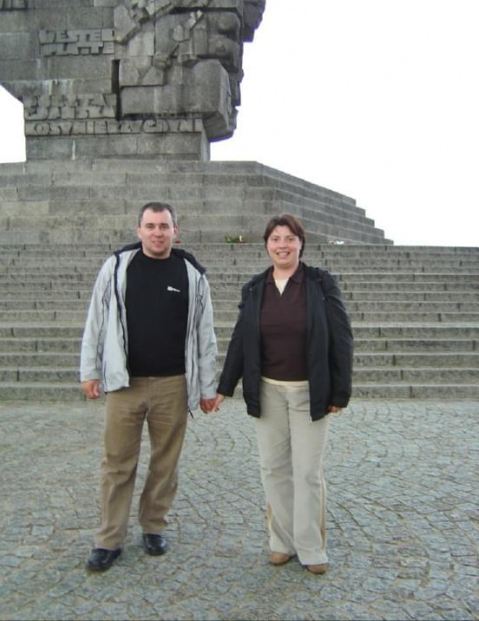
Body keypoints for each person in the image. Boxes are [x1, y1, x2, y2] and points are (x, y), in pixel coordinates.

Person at [209, 214, 353, 574]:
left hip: (310, 391)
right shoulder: (255, 288)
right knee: (273, 469)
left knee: (306, 472)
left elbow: (342, 337)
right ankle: (281, 541)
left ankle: (310, 546)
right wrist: (224, 388)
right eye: (275, 238)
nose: (282, 245)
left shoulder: (320, 283)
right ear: (267, 245)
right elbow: (242, 341)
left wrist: (341, 390)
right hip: (269, 391)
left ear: (301, 243)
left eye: (289, 238)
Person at [80, 202, 217, 572]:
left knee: (165, 463)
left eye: (164, 226)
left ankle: (154, 525)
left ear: (177, 231)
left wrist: (207, 388)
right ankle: (109, 538)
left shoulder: (192, 275)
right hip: (124, 383)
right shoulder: (116, 267)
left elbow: (205, 336)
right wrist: (90, 371)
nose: (158, 232)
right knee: (117, 464)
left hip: (173, 383)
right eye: (151, 225)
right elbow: (96, 318)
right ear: (138, 230)